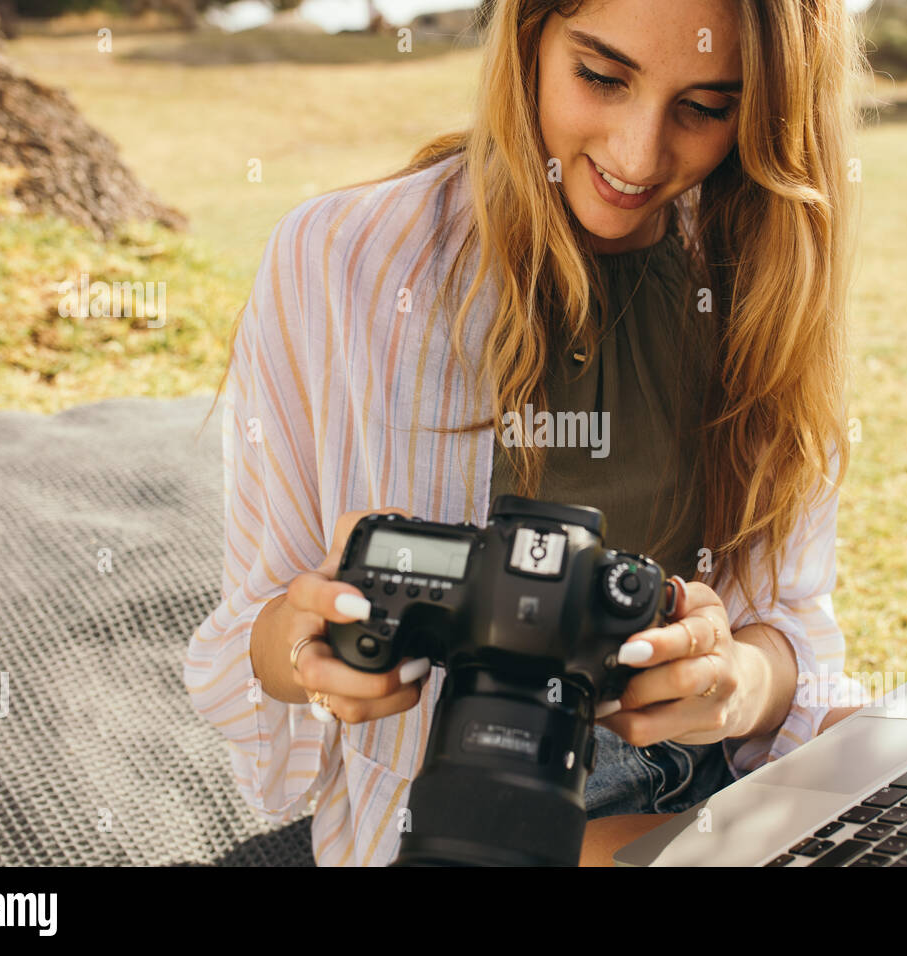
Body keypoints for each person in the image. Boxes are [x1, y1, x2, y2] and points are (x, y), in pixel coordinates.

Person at [184, 0, 863, 866]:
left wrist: (735, 683)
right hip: (473, 815)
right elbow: (254, 635)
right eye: (601, 77)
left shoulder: (757, 269)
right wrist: (310, 646)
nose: (638, 154)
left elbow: (789, 624)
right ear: (528, 37)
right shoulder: (338, 261)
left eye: (707, 107)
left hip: (721, 783)